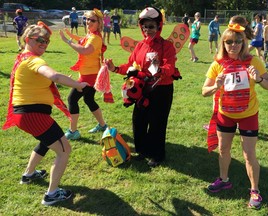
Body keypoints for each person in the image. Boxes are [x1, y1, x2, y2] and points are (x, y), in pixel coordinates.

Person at [2, 21, 87, 205]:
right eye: (39, 39)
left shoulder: (23, 58)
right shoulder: (33, 60)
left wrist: (68, 82)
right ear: (27, 39)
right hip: (33, 114)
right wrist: (79, 85)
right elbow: (54, 76)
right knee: (65, 150)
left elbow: (43, 81)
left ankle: (29, 174)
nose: (44, 43)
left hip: (26, 114)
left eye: (47, 40)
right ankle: (52, 194)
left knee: (46, 142)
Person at [202, 24, 268, 209]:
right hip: (225, 114)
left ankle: (255, 191)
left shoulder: (253, 62)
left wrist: (259, 79)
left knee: (249, 154)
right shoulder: (217, 64)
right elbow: (204, 91)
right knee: (223, 150)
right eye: (229, 42)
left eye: (237, 41)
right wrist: (215, 86)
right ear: (223, 43)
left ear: (243, 43)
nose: (233, 45)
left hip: (248, 114)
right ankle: (224, 179)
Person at [105, 6, 177, 167]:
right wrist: (115, 68)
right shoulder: (140, 46)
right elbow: (132, 66)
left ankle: (157, 154)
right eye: (144, 26)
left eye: (151, 26)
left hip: (161, 89)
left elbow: (170, 68)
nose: (147, 30)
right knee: (139, 120)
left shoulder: (167, 46)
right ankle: (142, 150)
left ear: (159, 26)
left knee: (157, 122)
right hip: (142, 88)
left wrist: (159, 69)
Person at [60, 9, 108, 140]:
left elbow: (85, 50)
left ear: (99, 23)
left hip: (89, 76)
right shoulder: (91, 35)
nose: (88, 22)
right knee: (89, 99)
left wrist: (68, 41)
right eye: (87, 19)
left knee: (72, 99)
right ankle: (103, 125)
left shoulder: (95, 37)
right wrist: (71, 36)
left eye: (92, 20)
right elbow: (83, 40)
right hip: (90, 74)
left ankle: (73, 131)